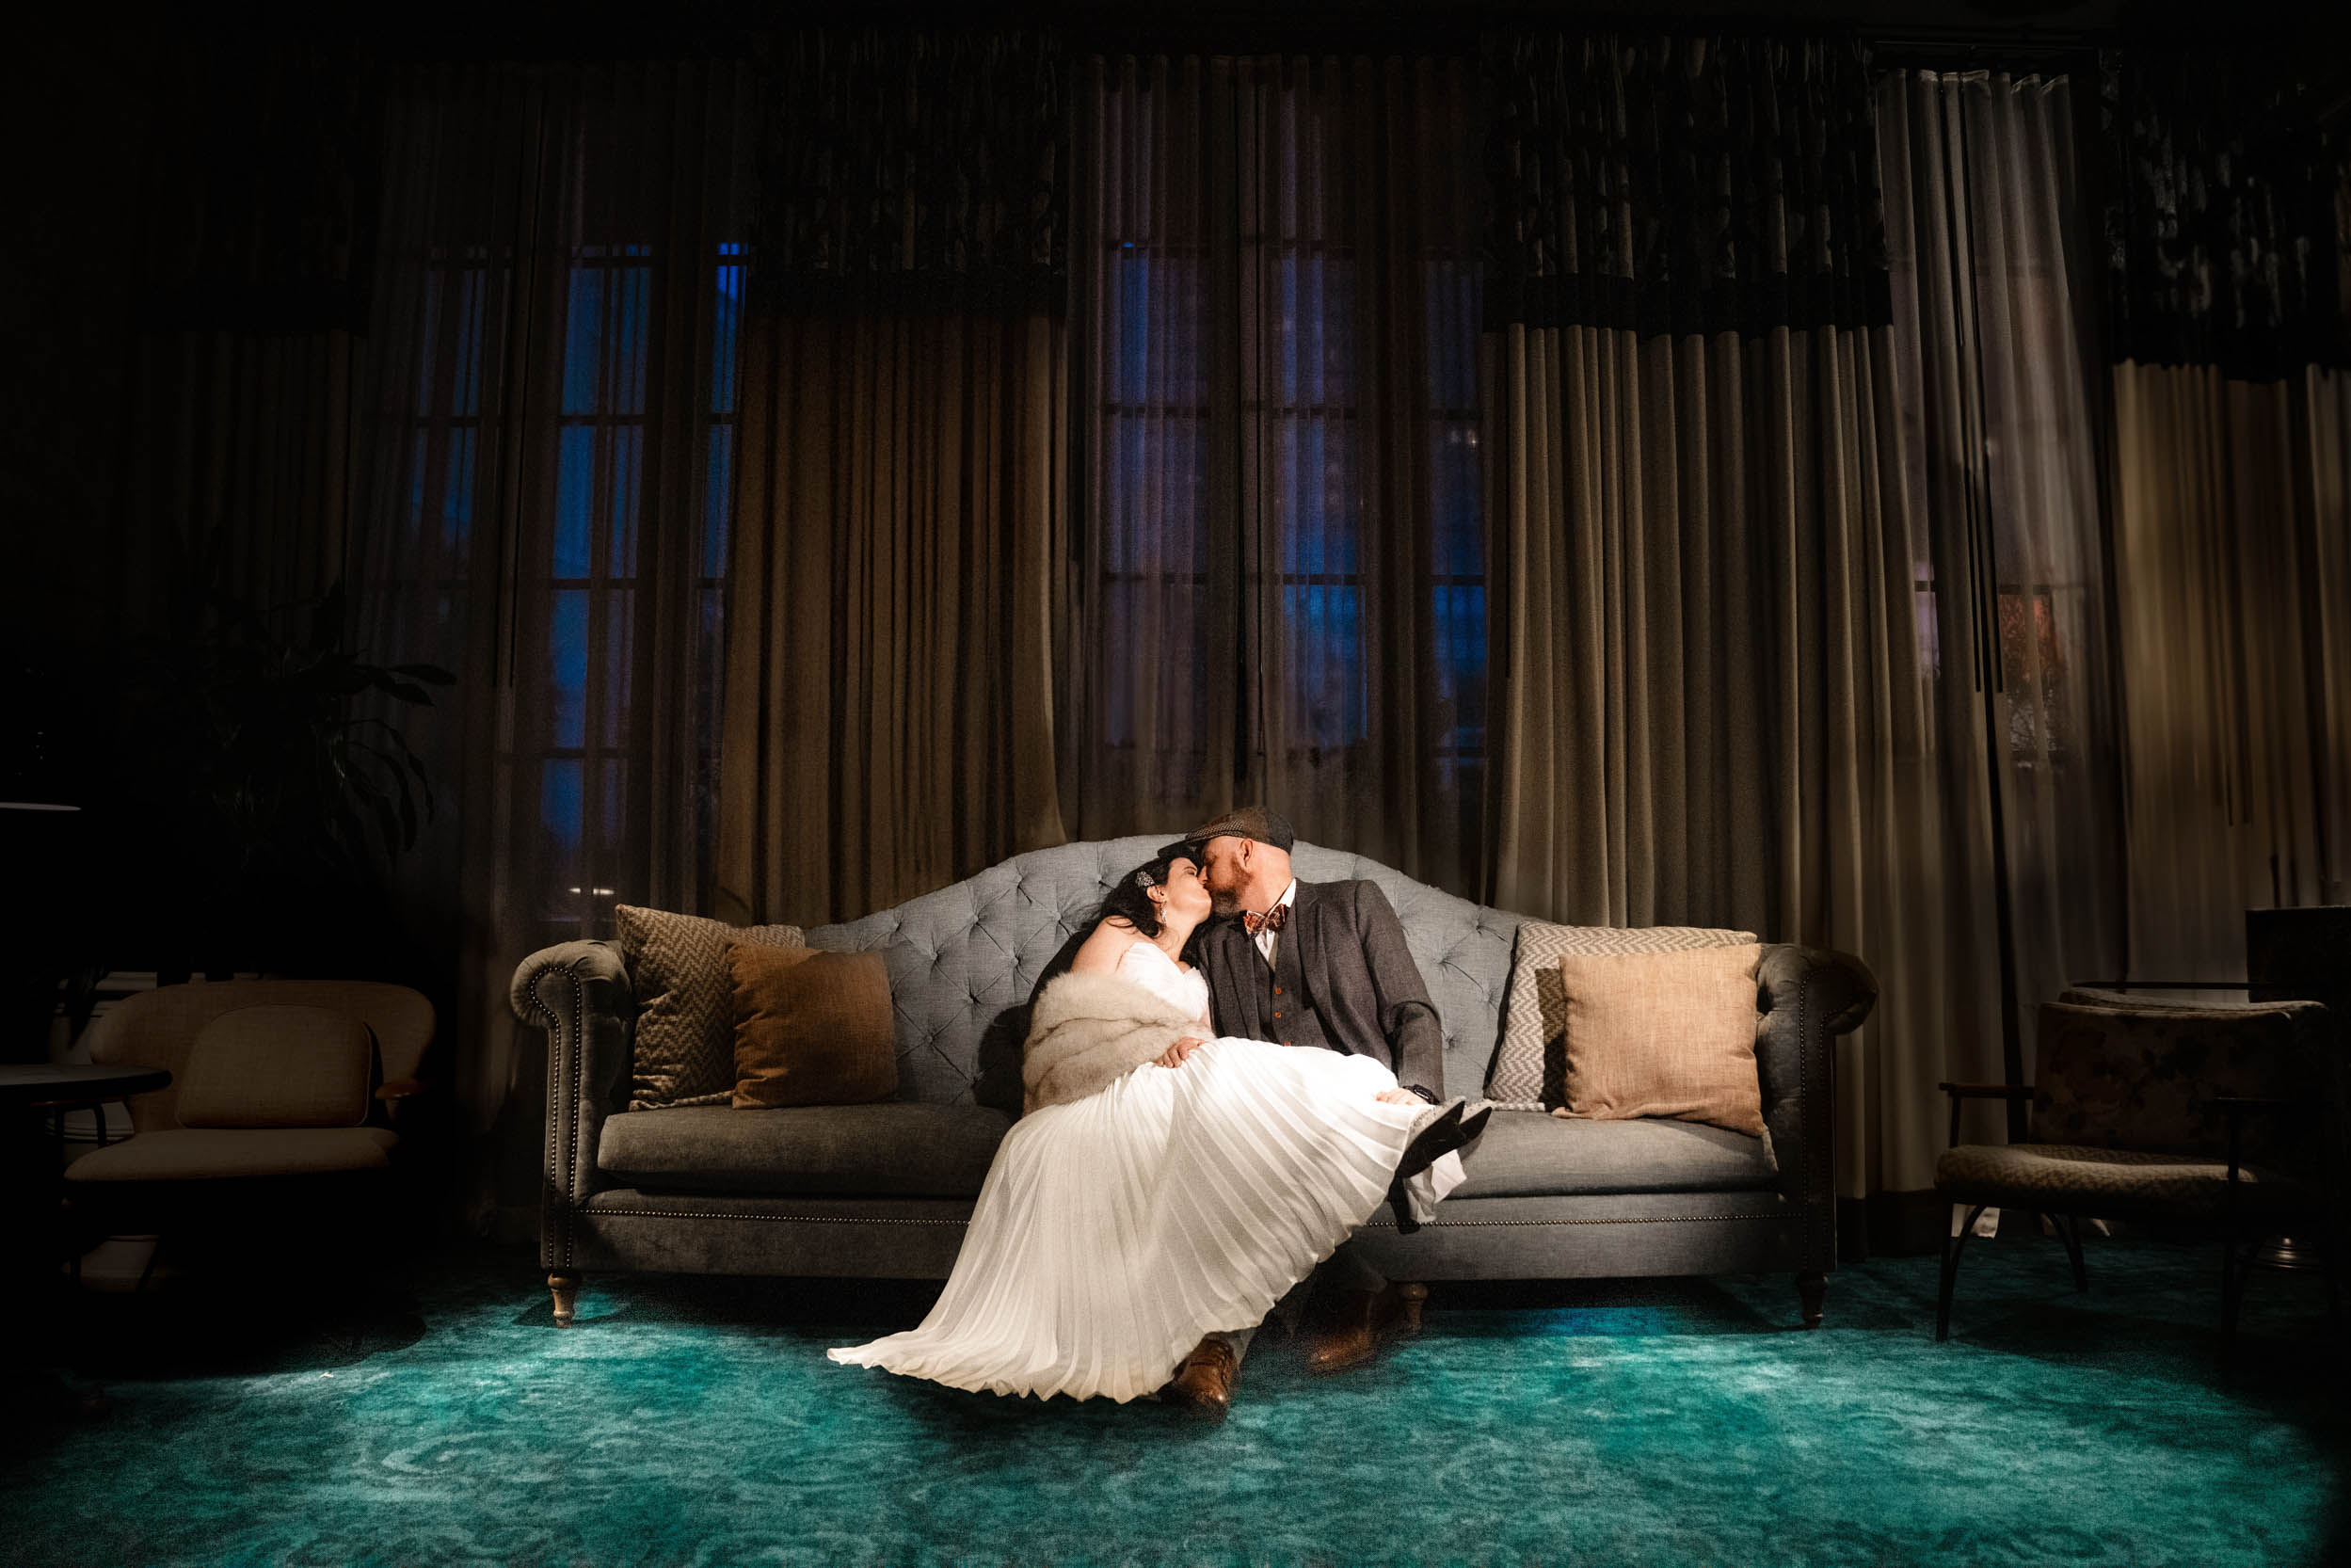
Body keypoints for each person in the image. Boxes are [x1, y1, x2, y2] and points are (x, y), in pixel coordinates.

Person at [826, 845, 1484, 1414]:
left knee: (1267, 1076)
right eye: (1188, 871)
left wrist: (1186, 1045)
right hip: (1114, 1085)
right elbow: (1069, 1023)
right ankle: (1391, 1138)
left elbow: (1213, 1038)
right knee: (1234, 1078)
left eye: (1207, 866)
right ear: (1155, 892)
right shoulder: (1119, 935)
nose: (1203, 875)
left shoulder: (1204, 969)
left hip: (1180, 1084)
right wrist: (1150, 1047)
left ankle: (1404, 1119)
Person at [1160, 806, 1469, 1413]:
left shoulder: (1354, 903)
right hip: (1273, 1097)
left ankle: (1220, 1343)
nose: (1203, 870)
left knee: (1287, 1145)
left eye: (1211, 858)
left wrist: (1420, 1090)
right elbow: (1199, 1020)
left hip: (1356, 1085)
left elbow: (1413, 1009)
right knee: (1237, 1138)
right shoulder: (1215, 941)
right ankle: (1361, 1286)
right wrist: (1183, 1038)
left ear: (1246, 852)